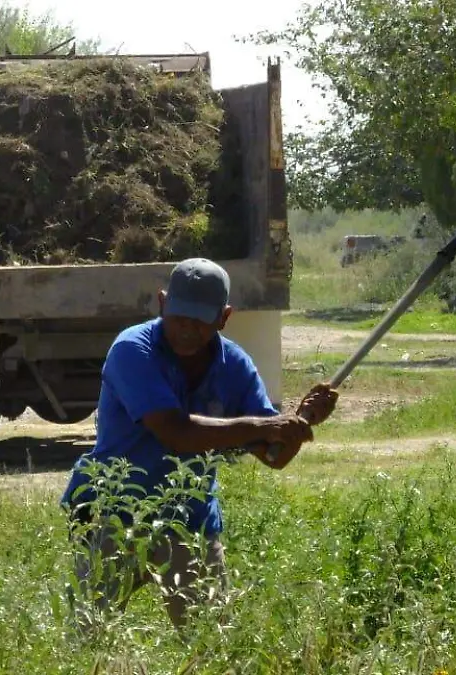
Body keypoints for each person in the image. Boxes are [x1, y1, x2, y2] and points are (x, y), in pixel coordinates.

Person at [60, 257, 338, 631]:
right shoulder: (132, 350)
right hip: (113, 515)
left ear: (224, 318)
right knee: (88, 642)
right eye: (179, 317)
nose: (187, 329)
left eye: (200, 320)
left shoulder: (235, 366)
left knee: (210, 645)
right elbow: (176, 432)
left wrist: (302, 421)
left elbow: (273, 456)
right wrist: (267, 424)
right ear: (162, 304)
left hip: (188, 522)